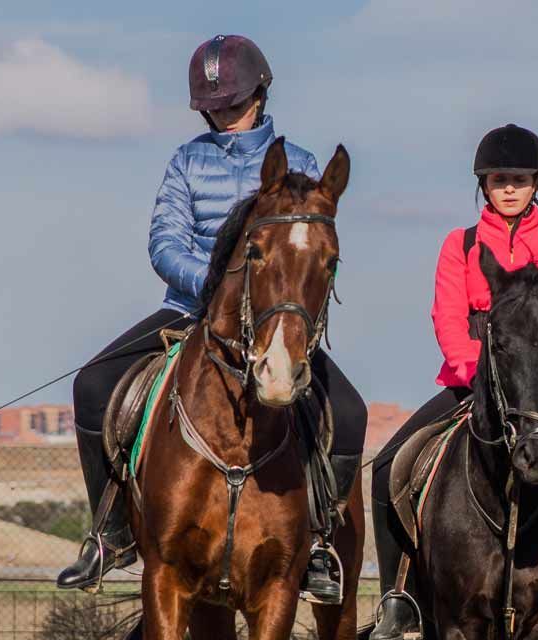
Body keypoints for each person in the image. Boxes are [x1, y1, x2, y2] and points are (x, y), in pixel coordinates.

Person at [56, 35, 367, 602]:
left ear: (261, 93)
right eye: (213, 105)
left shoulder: (299, 163)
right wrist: (214, 288)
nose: (223, 113)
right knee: (92, 384)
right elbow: (164, 240)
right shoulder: (187, 161)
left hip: (275, 324)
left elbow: (314, 249)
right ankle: (113, 533)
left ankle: (319, 542)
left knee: (349, 413)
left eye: (233, 101)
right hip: (189, 310)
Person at [367, 124, 538, 640]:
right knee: (387, 467)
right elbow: (447, 316)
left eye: (519, 179)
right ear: (484, 185)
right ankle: (397, 596)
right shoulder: (461, 244)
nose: (509, 189)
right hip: (471, 381)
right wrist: (481, 373)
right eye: (499, 180)